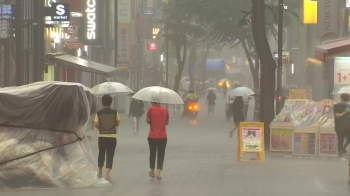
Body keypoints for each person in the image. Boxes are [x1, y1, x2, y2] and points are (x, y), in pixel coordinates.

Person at [94, 95, 120, 180]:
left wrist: (101, 127)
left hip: (102, 137)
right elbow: (117, 123)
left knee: (101, 154)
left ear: (102, 103)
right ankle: (107, 174)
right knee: (110, 154)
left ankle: (100, 172)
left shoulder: (99, 113)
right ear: (111, 102)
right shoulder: (115, 112)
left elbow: (96, 124)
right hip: (112, 137)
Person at [147, 101, 169, 180]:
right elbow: (167, 122)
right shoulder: (165, 110)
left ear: (153, 102)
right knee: (161, 154)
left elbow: (148, 121)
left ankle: (152, 170)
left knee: (152, 153)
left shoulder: (150, 109)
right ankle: (158, 172)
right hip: (163, 136)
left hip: (152, 135)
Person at [334, 93, 350, 161]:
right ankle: (341, 155)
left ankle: (343, 149)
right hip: (340, 126)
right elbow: (337, 116)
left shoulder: (348, 106)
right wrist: (345, 112)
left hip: (347, 126)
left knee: (349, 138)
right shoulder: (337, 106)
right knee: (340, 140)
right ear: (342, 99)